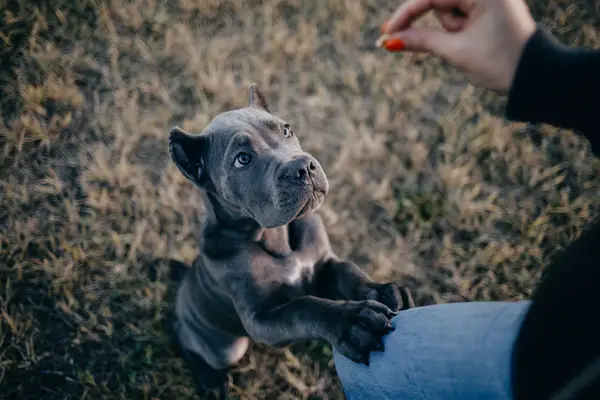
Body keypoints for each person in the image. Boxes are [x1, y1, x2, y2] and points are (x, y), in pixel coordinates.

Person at [332, 0, 600, 399]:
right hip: (557, 339)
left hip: (555, 362)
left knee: (363, 358)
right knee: (366, 360)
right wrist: (536, 67)